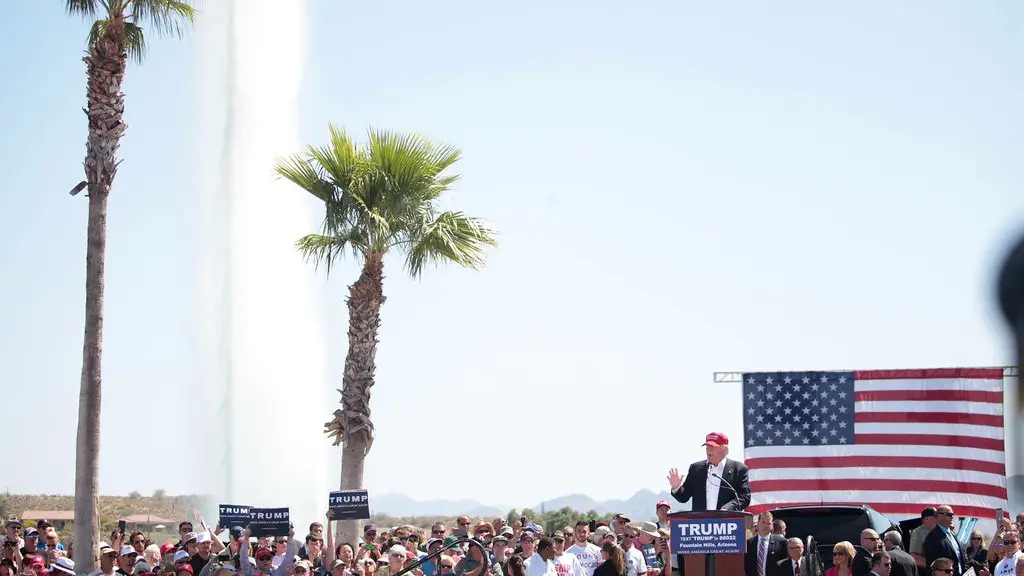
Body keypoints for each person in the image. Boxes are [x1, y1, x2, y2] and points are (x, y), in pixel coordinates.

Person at [666, 432, 751, 512]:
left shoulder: (739, 469)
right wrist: (676, 487)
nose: (708, 451)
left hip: (726, 522)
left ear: (725, 450)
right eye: (707, 447)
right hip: (701, 524)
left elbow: (744, 497)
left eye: (712, 447)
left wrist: (727, 509)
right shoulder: (696, 469)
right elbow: (683, 497)